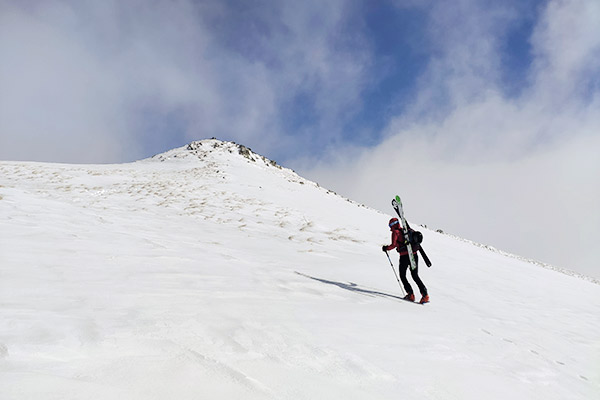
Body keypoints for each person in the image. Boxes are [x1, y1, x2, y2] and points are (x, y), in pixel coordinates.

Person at [382, 218, 429, 304]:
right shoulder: (406, 230)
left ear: (392, 225)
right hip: (414, 255)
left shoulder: (395, 232)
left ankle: (410, 294)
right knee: (415, 275)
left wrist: (386, 248)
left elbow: (393, 245)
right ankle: (425, 294)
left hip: (404, 256)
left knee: (402, 275)